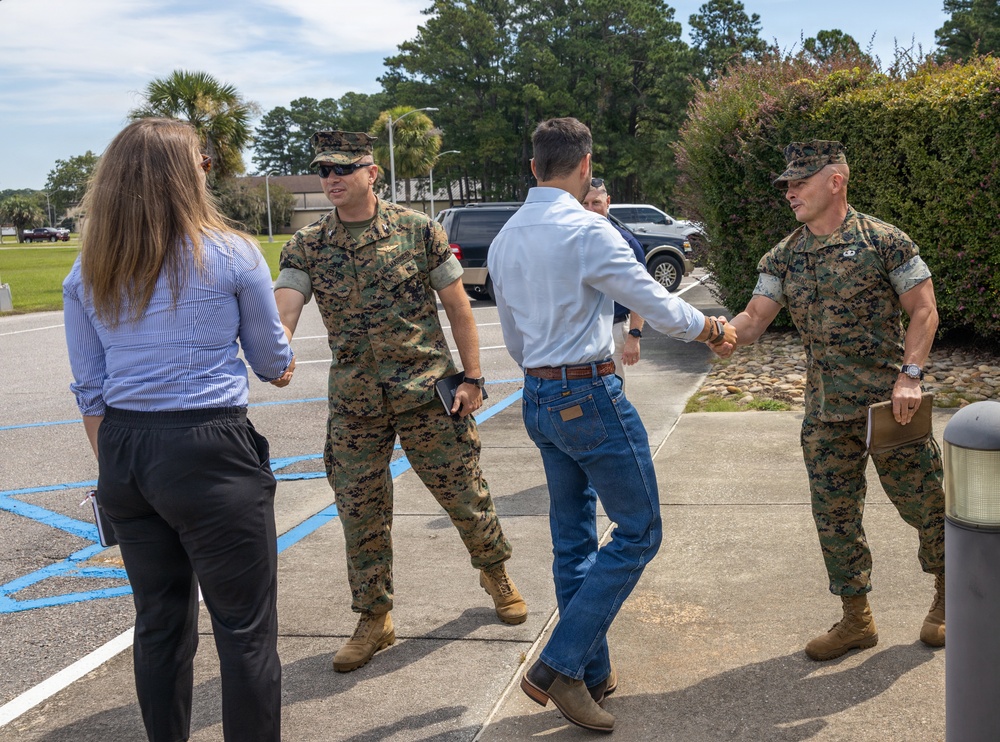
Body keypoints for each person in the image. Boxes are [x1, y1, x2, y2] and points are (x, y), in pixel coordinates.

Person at [488, 117, 736, 733]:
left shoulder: (505, 237)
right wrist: (709, 328)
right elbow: (651, 298)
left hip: (539, 397)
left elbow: (514, 337)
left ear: (533, 168)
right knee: (639, 531)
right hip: (588, 396)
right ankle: (560, 665)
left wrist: (545, 374)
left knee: (573, 541)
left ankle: (590, 675)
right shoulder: (588, 230)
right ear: (587, 166)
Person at [63, 117, 294, 742]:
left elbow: (90, 388)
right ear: (181, 174)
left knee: (160, 625)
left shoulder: (88, 270)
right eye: (202, 159)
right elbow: (273, 361)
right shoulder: (231, 252)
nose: (207, 168)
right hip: (208, 446)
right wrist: (281, 364)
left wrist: (117, 467)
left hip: (125, 450)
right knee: (244, 631)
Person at [272, 130, 527, 674]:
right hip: (355, 406)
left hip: (425, 394)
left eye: (343, 169)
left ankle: (495, 572)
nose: (332, 179)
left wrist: (473, 378)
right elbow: (286, 310)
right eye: (324, 171)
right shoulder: (307, 244)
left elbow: (459, 308)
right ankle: (374, 617)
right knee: (360, 514)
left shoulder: (419, 231)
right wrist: (278, 350)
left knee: (464, 495)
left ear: (372, 172)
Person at [718, 139, 945, 661]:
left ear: (835, 181)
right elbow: (753, 318)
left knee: (927, 505)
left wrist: (910, 375)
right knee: (835, 517)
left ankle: (949, 595)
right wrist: (716, 332)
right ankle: (856, 619)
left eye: (800, 182)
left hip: (891, 408)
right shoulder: (783, 255)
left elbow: (925, 310)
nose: (790, 192)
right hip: (825, 413)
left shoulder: (884, 241)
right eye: (787, 184)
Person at [582, 178, 646, 390]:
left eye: (596, 203)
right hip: (580, 333)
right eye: (585, 203)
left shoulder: (625, 242)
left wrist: (634, 336)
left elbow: (641, 293)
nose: (590, 209)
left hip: (613, 329)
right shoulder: (571, 240)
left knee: (613, 396)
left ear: (608, 201)